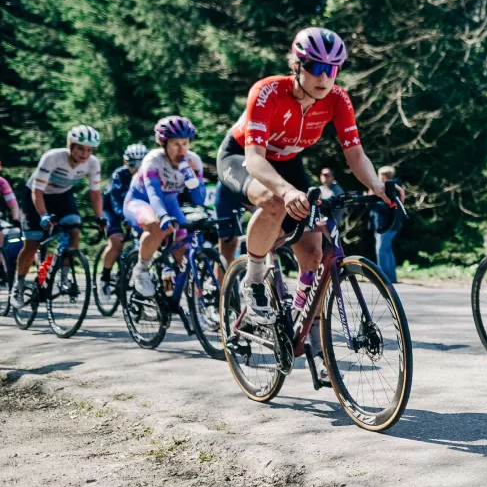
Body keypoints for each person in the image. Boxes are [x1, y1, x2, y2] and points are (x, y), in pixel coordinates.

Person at [216, 26, 398, 326]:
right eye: (315, 67)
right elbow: (255, 159)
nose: (323, 77)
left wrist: (378, 187)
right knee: (275, 201)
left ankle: (301, 322)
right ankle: (255, 279)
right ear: (296, 66)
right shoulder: (267, 92)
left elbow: (354, 154)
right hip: (242, 156)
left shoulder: (338, 99)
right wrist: (287, 192)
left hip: (287, 162)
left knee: (314, 252)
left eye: (331, 69)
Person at [11, 126, 105, 306]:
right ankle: (19, 285)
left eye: (89, 150)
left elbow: (95, 194)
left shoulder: (93, 163)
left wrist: (100, 218)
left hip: (62, 196)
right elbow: (37, 192)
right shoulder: (52, 157)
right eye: (80, 148)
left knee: (74, 228)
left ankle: (64, 277)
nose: (85, 154)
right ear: (70, 146)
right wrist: (44, 215)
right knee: (32, 243)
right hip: (36, 196)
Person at [124, 118, 206, 297]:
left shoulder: (193, 160)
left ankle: (176, 288)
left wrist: (195, 178)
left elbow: (199, 199)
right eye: (175, 144)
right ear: (164, 144)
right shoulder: (153, 160)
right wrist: (162, 216)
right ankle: (141, 269)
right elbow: (154, 194)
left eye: (185, 143)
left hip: (170, 202)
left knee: (183, 238)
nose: (181, 149)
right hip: (140, 201)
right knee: (156, 225)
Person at [98, 143, 147, 296]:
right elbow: (116, 202)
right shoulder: (119, 175)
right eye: (133, 164)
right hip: (111, 209)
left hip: (133, 209)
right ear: (126, 163)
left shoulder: (149, 176)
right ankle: (105, 276)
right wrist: (125, 220)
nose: (137, 168)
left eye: (141, 164)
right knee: (117, 241)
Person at [368, 166, 401, 283]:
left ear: (384, 176)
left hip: (386, 224)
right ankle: (391, 277)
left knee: (381, 249)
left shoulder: (390, 189)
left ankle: (383, 278)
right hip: (388, 224)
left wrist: (371, 198)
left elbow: (387, 206)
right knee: (387, 249)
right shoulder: (395, 187)